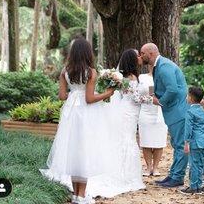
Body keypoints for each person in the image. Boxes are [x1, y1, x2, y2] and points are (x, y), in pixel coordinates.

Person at [40, 37, 114, 204]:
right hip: (86, 113)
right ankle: (81, 196)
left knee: (73, 150)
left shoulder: (65, 71)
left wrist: (73, 94)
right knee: (85, 150)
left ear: (72, 53)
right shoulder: (91, 72)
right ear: (88, 53)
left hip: (70, 112)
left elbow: (61, 96)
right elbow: (89, 98)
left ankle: (75, 194)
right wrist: (108, 94)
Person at [86, 48, 152, 198]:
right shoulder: (131, 78)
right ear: (132, 60)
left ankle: (123, 173)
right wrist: (152, 100)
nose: (140, 57)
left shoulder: (127, 76)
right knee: (126, 141)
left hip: (127, 112)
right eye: (137, 56)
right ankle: (124, 176)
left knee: (124, 141)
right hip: (128, 114)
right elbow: (136, 98)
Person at [140, 43, 188, 188]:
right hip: (174, 111)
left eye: (142, 53)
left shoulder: (164, 66)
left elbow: (172, 90)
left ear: (151, 53)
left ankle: (177, 177)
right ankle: (173, 175)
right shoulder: (159, 65)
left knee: (180, 145)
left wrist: (160, 102)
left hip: (177, 112)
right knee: (177, 144)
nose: (141, 56)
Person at [138, 64, 168, 176]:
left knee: (158, 141)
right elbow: (137, 93)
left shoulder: (164, 79)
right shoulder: (141, 77)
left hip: (160, 111)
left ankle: (155, 167)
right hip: (145, 111)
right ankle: (148, 167)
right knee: (146, 141)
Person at [181, 86, 204, 195]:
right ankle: (197, 186)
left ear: (191, 98)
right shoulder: (203, 110)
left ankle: (193, 187)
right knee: (199, 164)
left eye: (188, 95)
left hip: (195, 142)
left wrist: (186, 142)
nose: (187, 97)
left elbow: (188, 129)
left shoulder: (190, 112)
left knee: (193, 165)